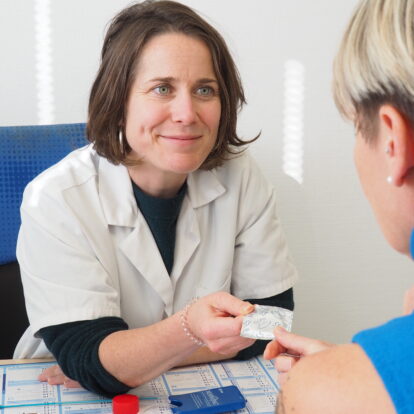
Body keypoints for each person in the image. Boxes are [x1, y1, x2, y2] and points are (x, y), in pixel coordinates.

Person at [14, 0, 297, 398]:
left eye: (204, 90)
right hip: (61, 391)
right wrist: (104, 364)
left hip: (180, 384)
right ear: (119, 99)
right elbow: (88, 359)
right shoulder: (56, 198)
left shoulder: (240, 175)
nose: (186, 113)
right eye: (162, 88)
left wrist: (125, 362)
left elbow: (271, 323)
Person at [264, 0, 414, 413]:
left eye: (354, 129)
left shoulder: (250, 182)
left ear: (392, 141)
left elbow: (272, 318)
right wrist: (356, 371)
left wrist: (327, 384)